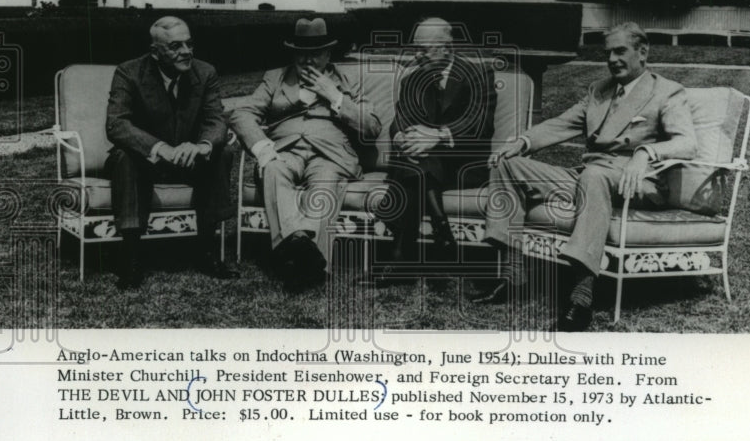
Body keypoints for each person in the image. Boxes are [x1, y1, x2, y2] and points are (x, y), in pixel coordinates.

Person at [478, 22, 697, 331]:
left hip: (638, 182)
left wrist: (645, 153)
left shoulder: (667, 91)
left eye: (620, 51)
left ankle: (580, 299)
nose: (612, 60)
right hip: (589, 178)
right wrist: (520, 143)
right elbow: (560, 124)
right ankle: (512, 276)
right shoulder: (600, 90)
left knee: (593, 175)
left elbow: (687, 143)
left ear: (643, 52)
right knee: (508, 164)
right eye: (607, 53)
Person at [229, 17, 381, 292]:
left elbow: (371, 127)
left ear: (328, 54)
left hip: (330, 154)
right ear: (293, 53)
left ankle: (298, 258)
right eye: (301, 53)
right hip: (284, 149)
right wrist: (263, 148)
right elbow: (241, 113)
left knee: (325, 180)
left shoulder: (348, 81)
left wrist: (335, 96)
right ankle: (306, 253)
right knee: (273, 169)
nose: (308, 60)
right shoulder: (275, 78)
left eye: (316, 53)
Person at [106, 16, 238, 290]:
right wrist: (158, 147)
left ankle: (206, 250)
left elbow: (216, 120)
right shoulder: (129, 72)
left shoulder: (205, 72)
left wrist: (201, 146)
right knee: (123, 156)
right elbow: (117, 123)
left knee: (220, 152)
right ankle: (131, 256)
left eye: (189, 44)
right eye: (176, 46)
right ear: (155, 52)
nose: (186, 51)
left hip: (189, 160)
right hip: (147, 161)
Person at [365, 18, 497, 285]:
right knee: (417, 158)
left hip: (464, 165)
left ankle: (400, 256)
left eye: (424, 49)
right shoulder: (413, 79)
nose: (417, 55)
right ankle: (441, 232)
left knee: (415, 161)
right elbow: (400, 119)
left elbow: (480, 123)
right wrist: (402, 135)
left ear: (447, 48)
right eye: (416, 48)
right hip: (424, 164)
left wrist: (436, 136)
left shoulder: (479, 75)